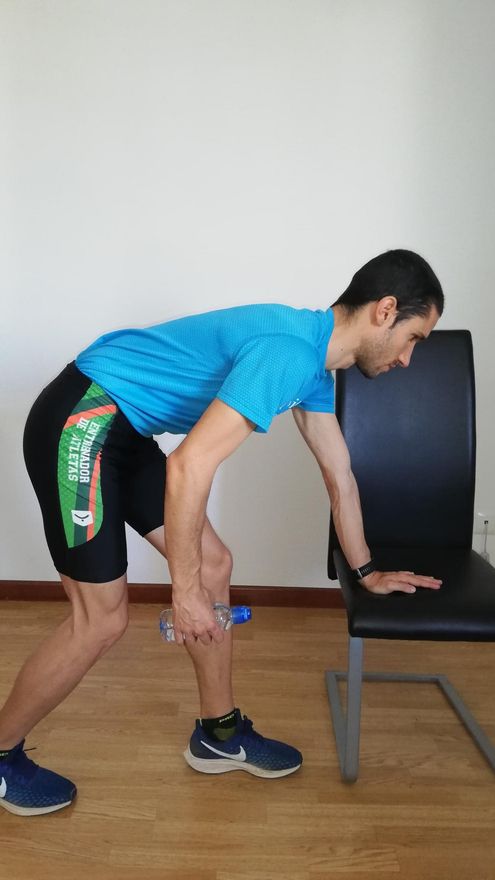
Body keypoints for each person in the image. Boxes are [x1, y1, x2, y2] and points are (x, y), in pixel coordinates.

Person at [0, 248, 444, 816]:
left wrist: (367, 572)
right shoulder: (288, 353)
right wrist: (182, 594)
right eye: (414, 337)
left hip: (122, 427)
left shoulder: (313, 365)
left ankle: (219, 733)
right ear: (385, 310)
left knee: (214, 565)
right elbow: (189, 467)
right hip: (83, 419)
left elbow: (341, 478)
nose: (408, 358)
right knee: (101, 619)